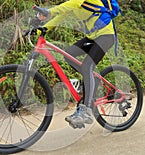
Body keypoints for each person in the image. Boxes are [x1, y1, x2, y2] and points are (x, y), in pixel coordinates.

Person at [37, 0, 118, 128]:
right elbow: (62, 14)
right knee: (68, 55)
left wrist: (49, 11)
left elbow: (71, 4)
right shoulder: (72, 2)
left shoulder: (76, 1)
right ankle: (90, 78)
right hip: (92, 37)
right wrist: (42, 29)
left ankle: (85, 111)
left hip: (106, 36)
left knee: (87, 66)